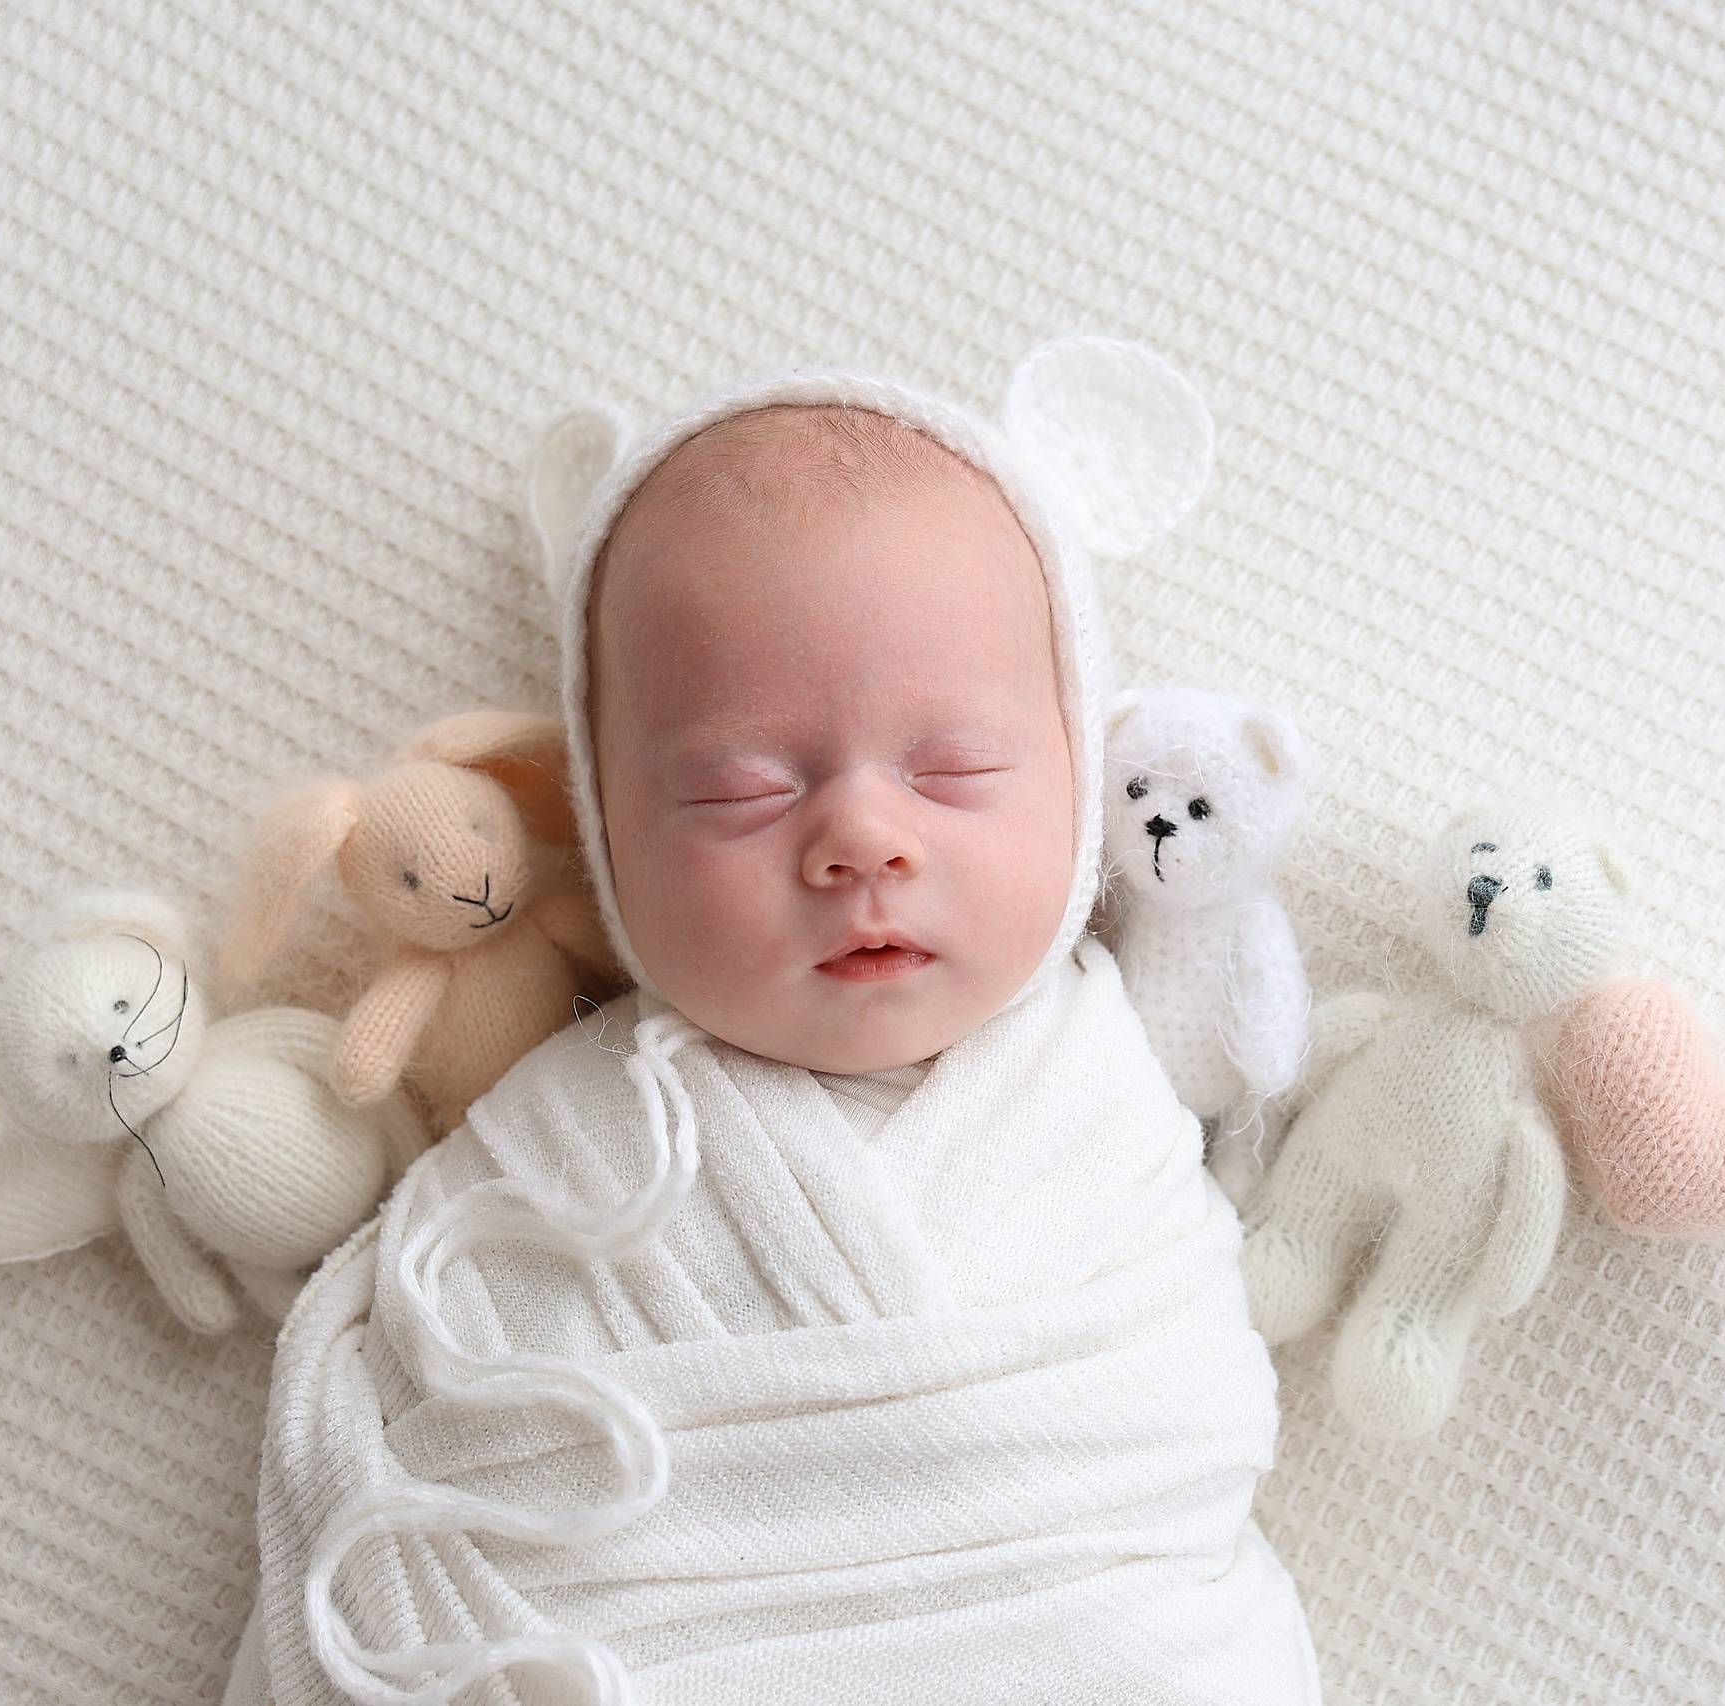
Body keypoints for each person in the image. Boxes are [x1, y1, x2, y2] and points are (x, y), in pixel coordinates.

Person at [232, 352, 1320, 1705]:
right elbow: (411, 1517)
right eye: (743, 791)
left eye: (956, 769)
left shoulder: (1112, 1116)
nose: (862, 837)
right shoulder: (550, 1168)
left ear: (1081, 775)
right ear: (606, 830)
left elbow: (1183, 1443)